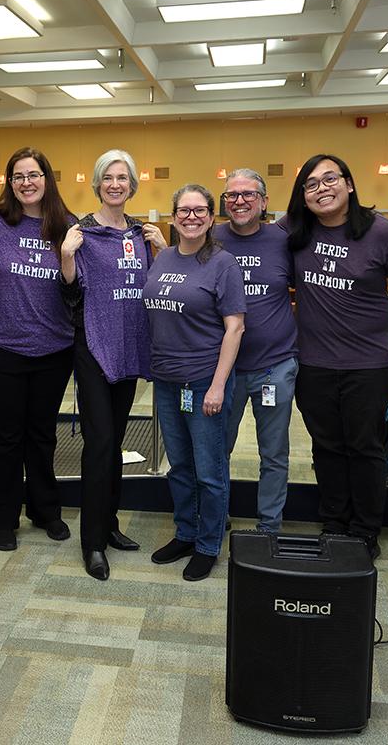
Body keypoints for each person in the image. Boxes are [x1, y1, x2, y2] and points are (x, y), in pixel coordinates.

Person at [286, 154, 388, 559]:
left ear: (350, 184)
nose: (321, 189)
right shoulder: (293, 232)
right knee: (326, 447)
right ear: (303, 197)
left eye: (329, 179)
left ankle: (365, 530)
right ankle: (335, 523)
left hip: (367, 364)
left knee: (364, 447)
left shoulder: (383, 233)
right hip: (314, 361)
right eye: (311, 184)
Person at [60, 149, 166, 580]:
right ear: (99, 183)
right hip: (93, 348)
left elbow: (158, 289)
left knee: (117, 441)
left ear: (132, 184)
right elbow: (68, 294)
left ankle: (111, 523)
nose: (116, 184)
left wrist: (164, 250)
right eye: (109, 177)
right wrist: (67, 256)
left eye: (123, 177)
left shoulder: (142, 234)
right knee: (99, 443)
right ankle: (92, 543)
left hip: (129, 348)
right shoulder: (82, 234)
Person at [145, 184, 246, 581]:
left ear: (211, 217)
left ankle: (208, 545)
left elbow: (235, 328)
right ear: (173, 216)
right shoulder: (163, 257)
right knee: (180, 466)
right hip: (167, 381)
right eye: (183, 210)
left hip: (205, 379)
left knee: (209, 469)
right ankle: (185, 532)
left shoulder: (223, 264)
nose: (191, 216)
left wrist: (219, 386)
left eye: (199, 210)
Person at [0, 147, 75, 551]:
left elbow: (79, 283)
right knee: (5, 438)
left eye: (34, 175)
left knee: (42, 436)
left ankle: (45, 510)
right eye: (18, 176)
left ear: (46, 180)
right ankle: (2, 519)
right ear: (9, 181)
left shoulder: (66, 225)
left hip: (54, 349)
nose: (26, 183)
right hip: (4, 347)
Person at [216, 168, 298, 533]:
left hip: (274, 365)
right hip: (221, 369)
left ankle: (269, 527)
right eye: (232, 195)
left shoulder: (283, 240)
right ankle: (215, 518)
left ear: (264, 201)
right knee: (218, 449)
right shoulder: (209, 237)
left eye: (249, 194)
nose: (240, 201)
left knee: (274, 453)